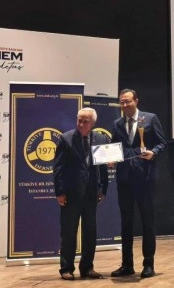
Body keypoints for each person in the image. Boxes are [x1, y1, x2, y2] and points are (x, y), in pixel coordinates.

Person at [109, 89, 167, 279]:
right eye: (122, 102)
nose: (125, 105)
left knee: (147, 222)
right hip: (124, 179)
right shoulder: (117, 124)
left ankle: (148, 264)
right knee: (126, 223)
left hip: (145, 179)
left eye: (128, 101)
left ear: (136, 101)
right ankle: (127, 265)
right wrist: (110, 158)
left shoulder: (150, 119)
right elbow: (115, 147)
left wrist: (154, 152)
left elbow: (162, 143)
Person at [53, 107, 109, 280]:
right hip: (70, 193)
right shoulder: (66, 138)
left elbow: (103, 168)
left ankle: (87, 268)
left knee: (90, 231)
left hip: (91, 193)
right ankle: (66, 268)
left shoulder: (101, 139)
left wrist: (103, 189)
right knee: (69, 232)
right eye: (79, 120)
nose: (81, 124)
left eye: (85, 121)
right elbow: (58, 168)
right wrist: (60, 192)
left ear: (93, 123)